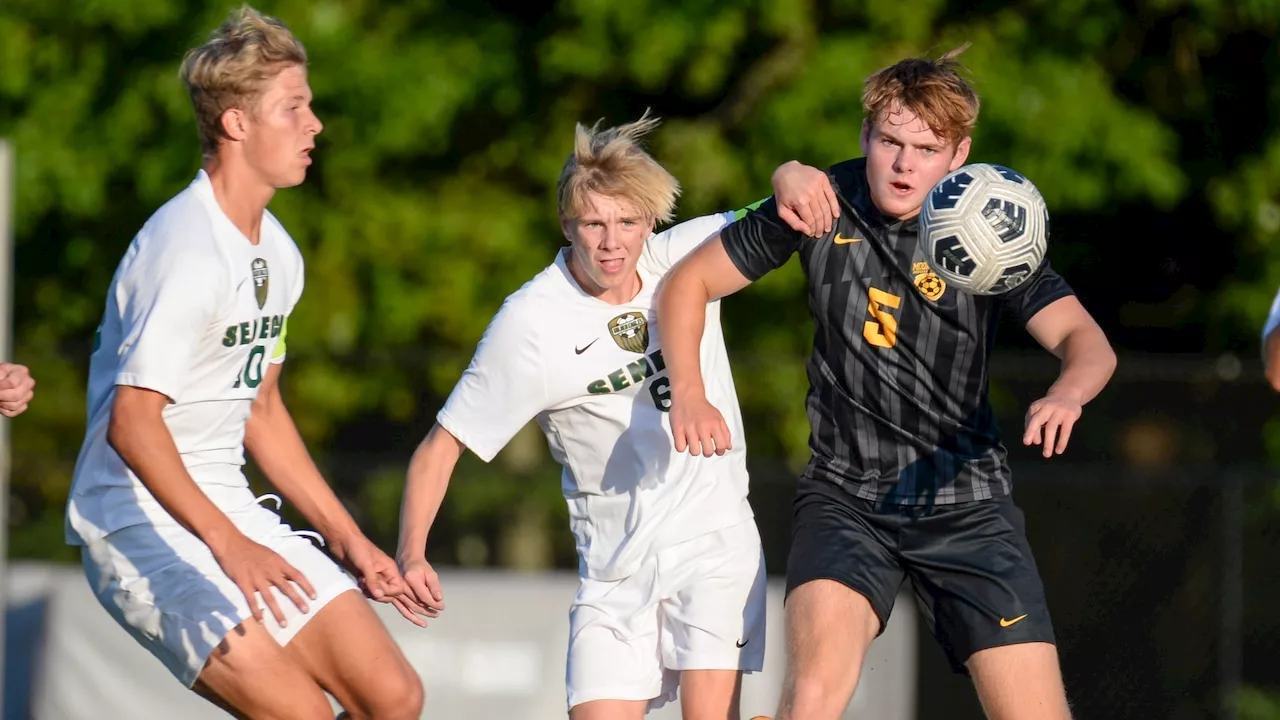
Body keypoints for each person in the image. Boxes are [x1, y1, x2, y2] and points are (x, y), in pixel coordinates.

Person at [657, 47, 1117, 720]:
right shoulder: (822, 203)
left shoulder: (991, 225)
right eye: (890, 142)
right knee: (813, 697)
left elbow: (1089, 344)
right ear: (865, 137)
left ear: (959, 155)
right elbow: (686, 284)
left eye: (925, 148)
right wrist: (690, 394)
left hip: (966, 504)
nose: (903, 164)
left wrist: (1067, 392)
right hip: (847, 499)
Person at [394, 113, 836, 720]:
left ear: (651, 222)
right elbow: (441, 447)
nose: (612, 242)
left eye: (628, 222)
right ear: (565, 223)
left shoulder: (683, 255)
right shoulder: (530, 324)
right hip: (613, 571)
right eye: (594, 223)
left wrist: (789, 170)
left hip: (713, 543)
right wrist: (411, 553)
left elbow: (786, 204)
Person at [65, 7, 427, 719]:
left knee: (394, 696)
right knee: (301, 714)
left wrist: (352, 541)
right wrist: (231, 548)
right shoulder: (187, 249)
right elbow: (133, 425)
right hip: (136, 524)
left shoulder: (278, 252)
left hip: (226, 509)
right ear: (236, 124)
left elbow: (260, 410)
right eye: (294, 108)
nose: (315, 124)